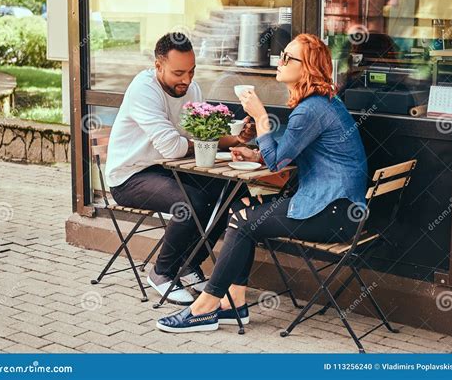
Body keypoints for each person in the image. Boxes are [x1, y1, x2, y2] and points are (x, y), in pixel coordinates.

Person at [156, 33, 368, 332]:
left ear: (306, 67)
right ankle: (235, 304)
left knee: (242, 221)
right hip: (339, 209)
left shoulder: (312, 109)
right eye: (281, 54)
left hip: (332, 213)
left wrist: (261, 118)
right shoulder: (320, 104)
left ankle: (204, 307)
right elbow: (284, 155)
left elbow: (279, 162)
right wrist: (257, 154)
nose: (279, 61)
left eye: (287, 58)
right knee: (241, 207)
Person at [105, 33, 255, 305]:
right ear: (158, 66)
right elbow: (173, 147)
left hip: (168, 170)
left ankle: (189, 264)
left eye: (191, 71)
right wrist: (198, 141)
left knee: (232, 190)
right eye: (178, 72)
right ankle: (162, 272)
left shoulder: (191, 89)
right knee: (190, 202)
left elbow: (200, 136)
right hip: (131, 175)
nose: (186, 80)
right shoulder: (144, 90)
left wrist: (235, 139)